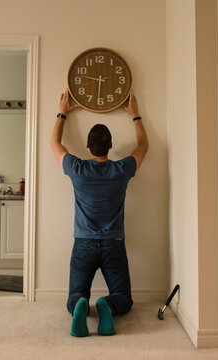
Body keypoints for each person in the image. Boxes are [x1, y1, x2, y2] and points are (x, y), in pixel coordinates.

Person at [50, 88, 148, 337]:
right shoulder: (121, 169)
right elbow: (144, 146)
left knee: (73, 299)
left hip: (83, 244)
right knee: (124, 299)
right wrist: (135, 115)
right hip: (113, 244)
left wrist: (62, 113)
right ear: (111, 145)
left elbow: (55, 144)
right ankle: (107, 304)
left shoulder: (76, 168)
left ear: (86, 145)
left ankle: (82, 305)